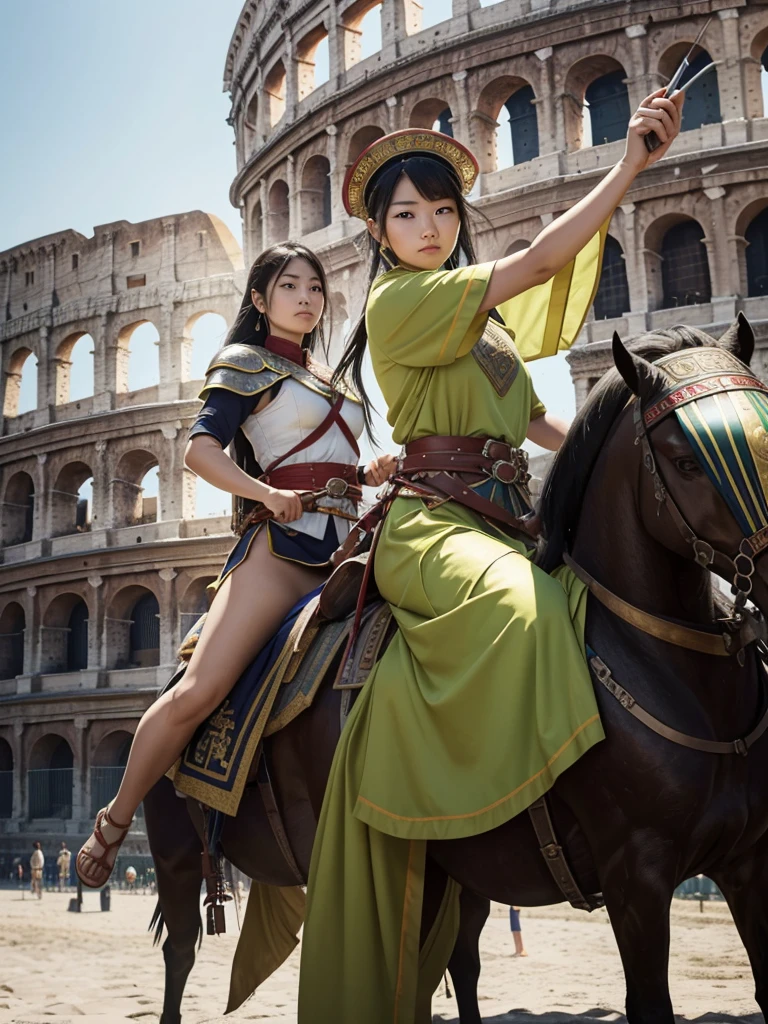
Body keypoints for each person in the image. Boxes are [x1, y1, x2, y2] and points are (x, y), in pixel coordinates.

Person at [298, 89, 684, 1022]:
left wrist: (616, 433)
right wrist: (633, 163)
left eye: (442, 211)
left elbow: (538, 420)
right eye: (407, 216)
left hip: (505, 510)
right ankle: (506, 801)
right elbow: (546, 256)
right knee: (526, 606)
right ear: (382, 237)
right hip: (431, 525)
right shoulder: (403, 302)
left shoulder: (486, 328)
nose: (429, 228)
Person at [76, 242, 395, 888]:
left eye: (314, 288)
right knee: (199, 691)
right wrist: (263, 493)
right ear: (259, 299)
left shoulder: (332, 378)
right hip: (278, 556)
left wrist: (368, 473)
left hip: (347, 547)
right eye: (290, 286)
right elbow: (199, 452)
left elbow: (332, 468)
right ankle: (116, 818)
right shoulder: (245, 364)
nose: (306, 298)